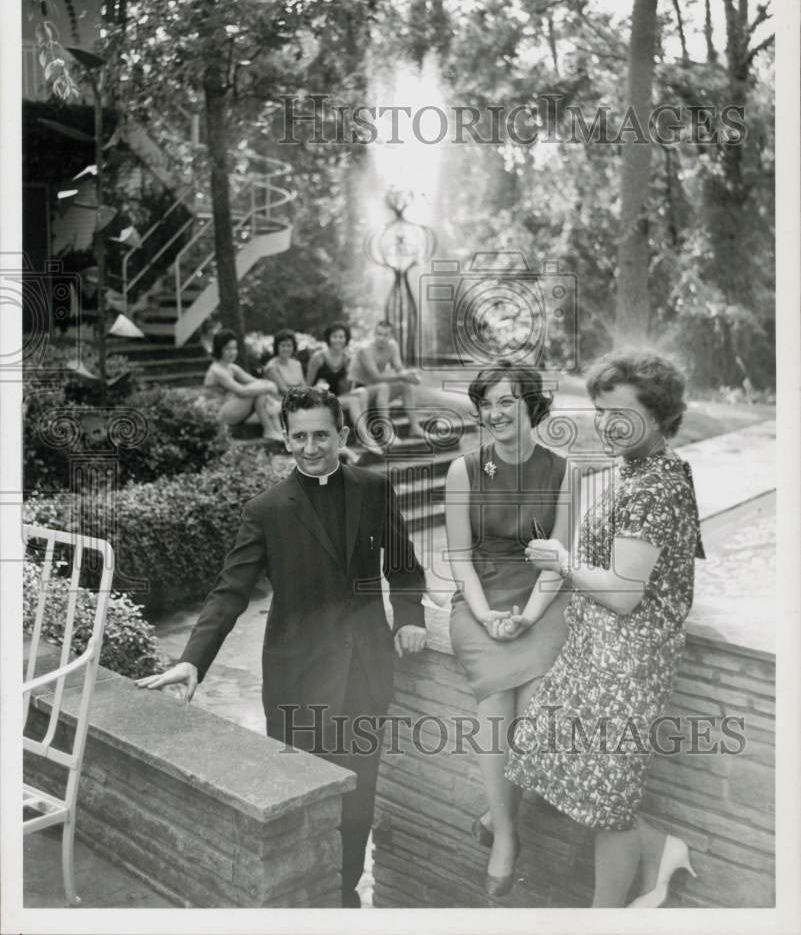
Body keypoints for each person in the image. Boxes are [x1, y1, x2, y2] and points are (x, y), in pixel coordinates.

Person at [136, 386, 427, 908]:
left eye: (322, 435)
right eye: (300, 437)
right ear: (286, 439)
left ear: (341, 434)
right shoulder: (266, 510)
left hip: (365, 674)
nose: (311, 447)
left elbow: (405, 569)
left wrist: (410, 617)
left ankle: (343, 900)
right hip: (298, 682)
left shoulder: (373, 490)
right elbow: (230, 591)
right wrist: (191, 661)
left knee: (357, 805)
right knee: (297, 804)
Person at [505, 349, 705, 908]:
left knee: (607, 803)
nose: (609, 424)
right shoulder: (637, 469)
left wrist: (562, 560)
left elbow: (623, 591)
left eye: (623, 413)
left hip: (627, 664)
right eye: (601, 411)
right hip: (596, 657)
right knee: (549, 763)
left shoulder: (655, 485)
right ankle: (659, 849)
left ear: (660, 415)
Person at [445, 361, 573, 897]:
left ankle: (497, 817)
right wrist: (483, 614)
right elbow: (458, 557)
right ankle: (506, 837)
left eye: (506, 402)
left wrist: (527, 616)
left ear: (531, 406)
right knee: (496, 706)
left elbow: (557, 561)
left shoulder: (565, 471)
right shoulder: (464, 470)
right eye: (487, 404)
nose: (495, 413)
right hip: (479, 597)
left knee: (535, 713)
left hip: (541, 599)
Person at [306, 321, 384, 461]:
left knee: (362, 392)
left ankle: (363, 434)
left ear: (346, 339)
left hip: (336, 397)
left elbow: (346, 388)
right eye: (334, 336)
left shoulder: (347, 359)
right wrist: (317, 386)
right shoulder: (319, 357)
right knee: (353, 400)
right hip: (317, 399)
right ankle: (366, 438)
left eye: (341, 337)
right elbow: (305, 386)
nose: (338, 340)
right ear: (329, 338)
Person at [201, 329, 284, 443]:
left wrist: (268, 385)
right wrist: (269, 386)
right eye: (228, 349)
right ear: (219, 349)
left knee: (261, 392)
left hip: (230, 409)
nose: (232, 352)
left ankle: (273, 430)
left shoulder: (231, 367)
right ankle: (271, 428)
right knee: (258, 391)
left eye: (234, 348)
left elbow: (254, 381)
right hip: (218, 415)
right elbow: (242, 391)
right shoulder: (217, 371)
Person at [348, 320, 426, 440]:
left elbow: (399, 369)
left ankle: (414, 427)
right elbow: (376, 377)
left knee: (405, 385)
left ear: (391, 336)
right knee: (384, 386)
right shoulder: (365, 350)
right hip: (359, 390)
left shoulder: (392, 346)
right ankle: (386, 432)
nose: (381, 338)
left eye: (385, 335)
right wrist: (402, 376)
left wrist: (413, 375)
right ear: (374, 334)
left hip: (377, 390)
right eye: (379, 334)